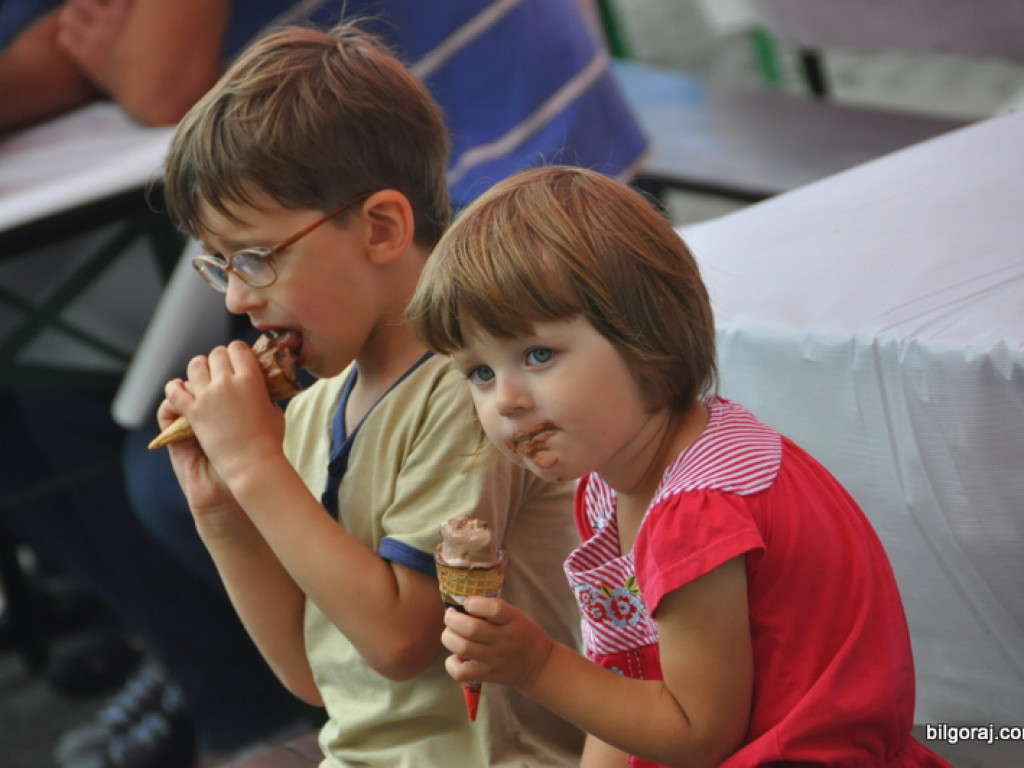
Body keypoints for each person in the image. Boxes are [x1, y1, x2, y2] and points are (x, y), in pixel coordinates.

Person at [405, 166, 955, 768]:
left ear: (647, 338)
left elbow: (698, 735)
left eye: (537, 355)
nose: (504, 400)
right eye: (479, 373)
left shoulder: (698, 512)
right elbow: (629, 675)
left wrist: (537, 664)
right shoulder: (612, 485)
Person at [156, 21, 585, 767]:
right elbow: (318, 675)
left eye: (254, 258)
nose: (236, 301)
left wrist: (256, 464)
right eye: (219, 266)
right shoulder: (319, 406)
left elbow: (398, 639)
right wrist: (221, 508)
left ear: (382, 227)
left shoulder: (474, 391)